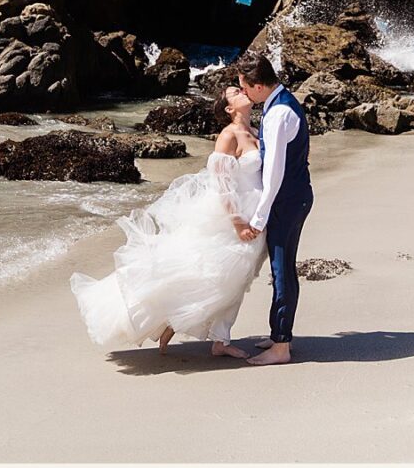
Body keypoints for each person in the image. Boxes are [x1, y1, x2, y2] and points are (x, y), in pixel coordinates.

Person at [69, 93, 266, 357]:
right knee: (211, 274)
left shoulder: (256, 130)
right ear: (230, 108)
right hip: (233, 218)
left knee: (237, 279)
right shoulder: (228, 136)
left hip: (256, 214)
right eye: (235, 93)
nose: (243, 93)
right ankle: (174, 319)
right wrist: (237, 221)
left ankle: (220, 339)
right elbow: (222, 186)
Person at [226, 51, 312, 366]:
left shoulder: (277, 115)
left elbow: (274, 172)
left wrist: (259, 218)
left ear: (258, 87)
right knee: (282, 268)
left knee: (282, 269)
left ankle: (281, 347)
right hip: (295, 195)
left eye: (245, 88)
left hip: (287, 200)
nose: (244, 94)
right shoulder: (283, 101)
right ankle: (278, 333)